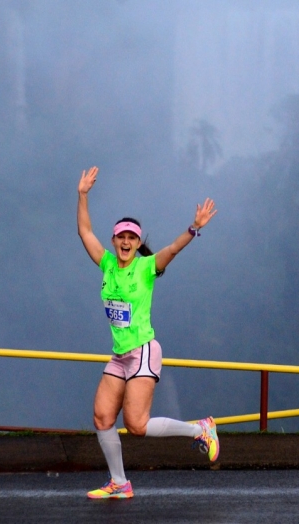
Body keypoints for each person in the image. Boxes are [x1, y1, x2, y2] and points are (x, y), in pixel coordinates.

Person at [77, 166, 220, 499]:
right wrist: (82, 195)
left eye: (132, 238)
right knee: (101, 417)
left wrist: (193, 229)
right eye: (121, 237)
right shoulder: (107, 263)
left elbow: (172, 249)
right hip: (119, 355)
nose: (126, 242)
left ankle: (200, 429)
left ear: (138, 242)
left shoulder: (145, 268)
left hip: (142, 352)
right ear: (114, 241)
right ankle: (119, 483)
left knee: (137, 425)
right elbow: (85, 232)